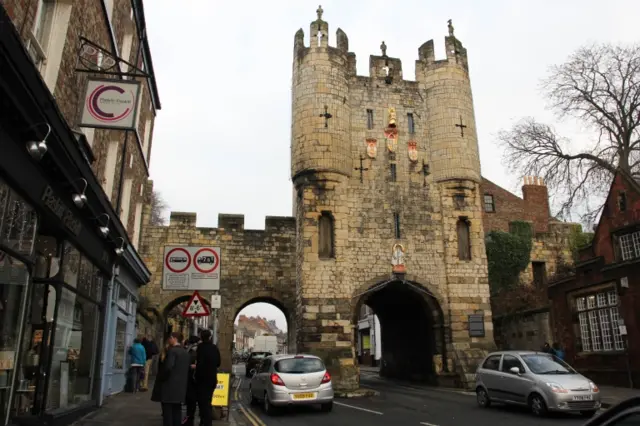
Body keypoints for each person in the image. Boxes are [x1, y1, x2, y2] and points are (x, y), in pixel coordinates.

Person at [155, 332, 190, 426]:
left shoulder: (172, 351)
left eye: (170, 338)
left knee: (168, 413)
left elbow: (168, 367)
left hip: (169, 386)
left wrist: (161, 378)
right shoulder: (185, 352)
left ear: (174, 338)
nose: (169, 340)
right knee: (177, 411)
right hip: (180, 387)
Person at [195, 329, 221, 426]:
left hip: (202, 379)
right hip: (212, 378)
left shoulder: (200, 347)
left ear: (201, 337)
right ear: (210, 337)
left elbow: (199, 362)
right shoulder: (214, 348)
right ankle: (204, 422)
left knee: (203, 403)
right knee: (208, 401)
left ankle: (206, 423)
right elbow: (218, 363)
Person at [183, 335, 200, 426]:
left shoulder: (190, 350)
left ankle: (189, 419)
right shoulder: (194, 351)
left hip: (191, 377)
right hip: (193, 377)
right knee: (192, 400)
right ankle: (190, 418)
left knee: (191, 400)